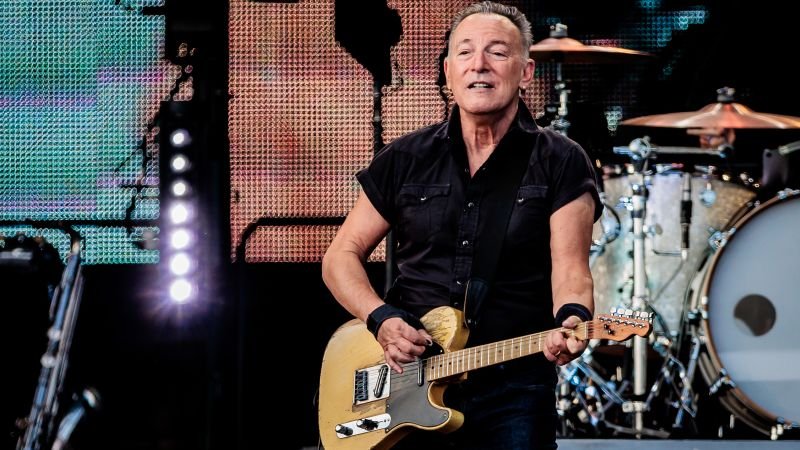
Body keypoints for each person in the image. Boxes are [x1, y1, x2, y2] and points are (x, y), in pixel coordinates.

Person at [322, 2, 602, 448]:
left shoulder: (561, 160)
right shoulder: (406, 157)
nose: (480, 64)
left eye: (498, 52)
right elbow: (341, 255)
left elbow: (571, 269)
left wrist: (573, 318)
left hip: (514, 387)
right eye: (466, 52)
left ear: (526, 72)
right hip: (405, 379)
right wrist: (380, 318)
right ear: (449, 71)